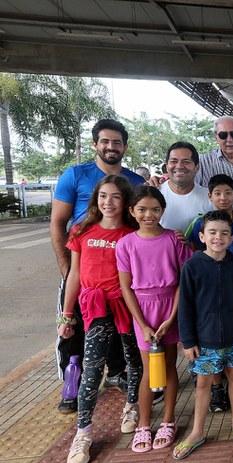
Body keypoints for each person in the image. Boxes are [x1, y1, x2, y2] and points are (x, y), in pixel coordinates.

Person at [50, 119, 144, 414]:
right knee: (73, 333)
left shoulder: (134, 182)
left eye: (116, 142)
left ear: (125, 147)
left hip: (119, 277)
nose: (110, 147)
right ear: (95, 144)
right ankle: (72, 385)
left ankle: (117, 374)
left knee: (119, 332)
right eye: (105, 141)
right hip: (82, 270)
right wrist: (67, 269)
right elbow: (58, 222)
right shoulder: (75, 175)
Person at [58, 175, 142, 463]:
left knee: (134, 359)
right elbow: (74, 275)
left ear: (125, 201)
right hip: (94, 308)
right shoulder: (81, 230)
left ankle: (132, 405)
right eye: (103, 196)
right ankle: (83, 432)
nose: (108, 202)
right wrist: (67, 315)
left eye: (116, 196)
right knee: (92, 369)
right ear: (96, 199)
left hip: (128, 305)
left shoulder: (133, 233)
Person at [116, 186, 193, 452]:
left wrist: (172, 318)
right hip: (143, 309)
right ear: (131, 211)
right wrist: (142, 324)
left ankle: (168, 421)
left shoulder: (174, 239)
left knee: (170, 366)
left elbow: (184, 280)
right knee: (149, 370)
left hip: (170, 306)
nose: (149, 215)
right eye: (142, 209)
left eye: (155, 209)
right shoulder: (126, 244)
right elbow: (126, 287)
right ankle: (144, 424)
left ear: (163, 210)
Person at [174, 210, 233, 460]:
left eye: (224, 233)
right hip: (204, 340)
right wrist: (188, 341)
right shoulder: (192, 266)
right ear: (202, 236)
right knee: (203, 383)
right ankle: (197, 431)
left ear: (231, 238)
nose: (218, 237)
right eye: (212, 232)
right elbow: (185, 307)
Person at [186, 174, 233, 412]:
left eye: (228, 192)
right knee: (210, 368)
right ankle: (216, 392)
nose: (223, 197)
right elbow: (186, 303)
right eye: (217, 193)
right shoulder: (195, 260)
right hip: (206, 322)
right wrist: (188, 340)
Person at [159, 142, 212, 232]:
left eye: (186, 162)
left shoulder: (210, 198)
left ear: (197, 167)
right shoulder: (154, 194)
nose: (179, 166)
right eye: (174, 161)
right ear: (167, 166)